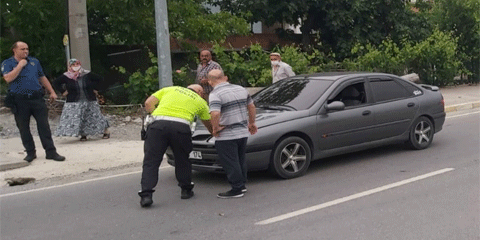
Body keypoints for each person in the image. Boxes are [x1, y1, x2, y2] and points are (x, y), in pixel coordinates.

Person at [138, 84, 213, 208]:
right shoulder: (200, 101)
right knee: (182, 160)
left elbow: (148, 103)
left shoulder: (170, 89)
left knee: (151, 161)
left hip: (158, 126)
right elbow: (208, 123)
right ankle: (186, 190)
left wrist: (155, 116)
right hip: (181, 128)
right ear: (199, 92)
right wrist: (215, 134)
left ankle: (146, 195)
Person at [1, 41, 65, 162]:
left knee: (44, 126)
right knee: (24, 128)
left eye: (27, 49)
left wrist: (51, 91)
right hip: (19, 99)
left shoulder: (34, 62)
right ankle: (30, 152)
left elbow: (42, 77)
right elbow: (8, 78)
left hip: (36, 98)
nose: (26, 51)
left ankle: (51, 151)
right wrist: (20, 65)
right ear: (14, 50)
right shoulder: (8, 63)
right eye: (22, 49)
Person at [207, 69, 257, 198]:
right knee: (240, 159)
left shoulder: (215, 94)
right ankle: (242, 184)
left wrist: (215, 128)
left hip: (227, 134)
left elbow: (215, 113)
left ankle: (236, 189)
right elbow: (251, 106)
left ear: (210, 81)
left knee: (230, 161)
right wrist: (251, 123)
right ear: (224, 77)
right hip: (242, 132)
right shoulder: (240, 89)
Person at [53, 59, 110, 141]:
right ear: (70, 66)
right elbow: (56, 83)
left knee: (95, 116)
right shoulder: (66, 76)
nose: (76, 66)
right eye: (73, 65)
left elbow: (100, 79)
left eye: (77, 64)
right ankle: (83, 134)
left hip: (89, 100)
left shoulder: (87, 74)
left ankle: (106, 131)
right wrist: (63, 91)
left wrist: (95, 89)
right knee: (79, 118)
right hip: (74, 102)